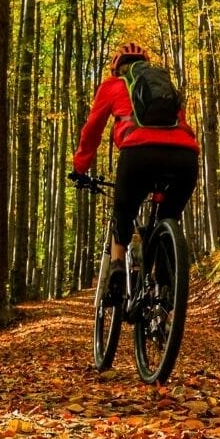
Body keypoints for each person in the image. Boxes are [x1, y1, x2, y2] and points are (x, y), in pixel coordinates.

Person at [71, 42, 200, 286]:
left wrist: (80, 167)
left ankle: (118, 266)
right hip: (185, 157)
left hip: (139, 154)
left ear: (118, 68)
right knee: (169, 214)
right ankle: (166, 282)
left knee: (124, 210)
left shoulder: (112, 86)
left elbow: (92, 130)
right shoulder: (165, 87)